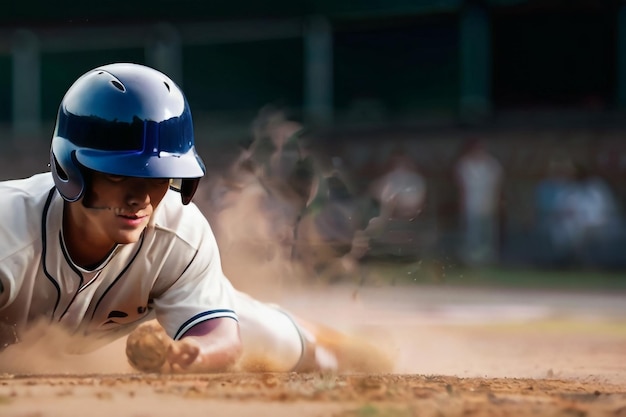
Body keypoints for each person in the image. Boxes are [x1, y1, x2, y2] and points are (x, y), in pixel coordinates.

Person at [0, 63, 391, 374]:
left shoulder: (179, 233)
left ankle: (344, 350)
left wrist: (191, 354)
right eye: (118, 174)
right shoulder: (7, 230)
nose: (140, 197)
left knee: (271, 338)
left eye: (156, 177)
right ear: (72, 168)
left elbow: (218, 336)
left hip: (142, 325)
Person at [453, 138, 503, 266]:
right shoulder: (464, 164)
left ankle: (487, 259)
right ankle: (470, 259)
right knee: (471, 232)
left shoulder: (492, 164)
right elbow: (462, 187)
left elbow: (496, 186)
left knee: (487, 233)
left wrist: (494, 203)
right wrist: (462, 204)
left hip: (487, 203)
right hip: (471, 203)